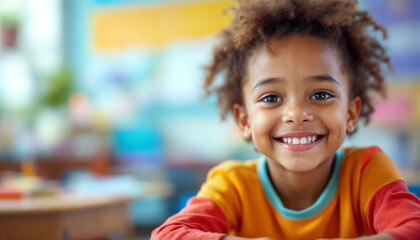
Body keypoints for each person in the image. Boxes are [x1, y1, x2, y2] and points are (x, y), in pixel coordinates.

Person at [151, 0, 420, 239]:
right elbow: (168, 235)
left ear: (350, 113)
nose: (296, 114)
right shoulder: (233, 185)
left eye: (321, 94)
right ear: (244, 121)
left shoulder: (366, 171)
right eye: (271, 98)